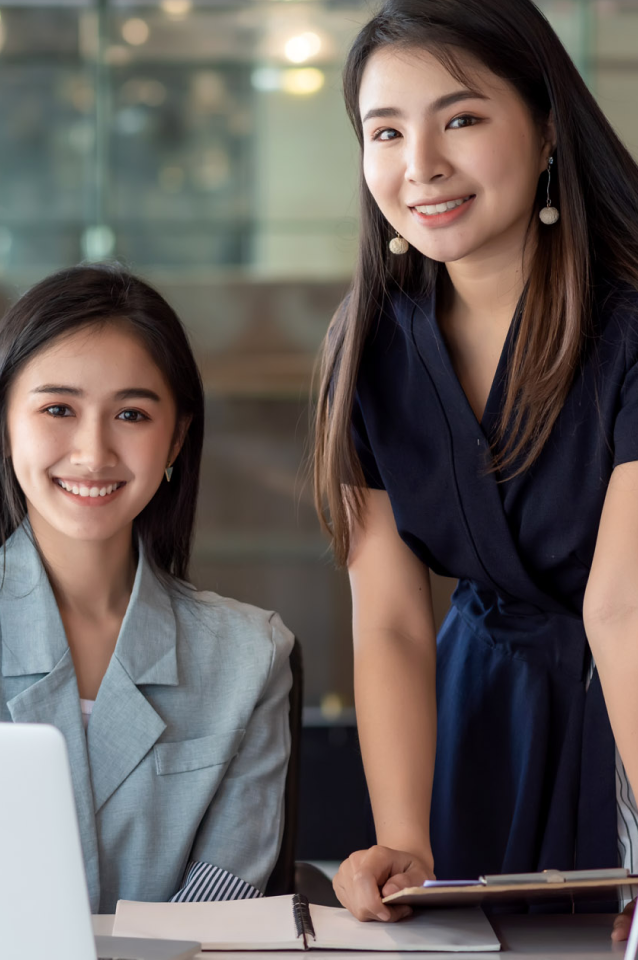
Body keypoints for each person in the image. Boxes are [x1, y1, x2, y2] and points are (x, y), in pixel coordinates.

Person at [312, 0, 638, 938]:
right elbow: (392, 618)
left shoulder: (631, 329)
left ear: (545, 130)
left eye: (460, 118)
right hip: (479, 718)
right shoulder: (366, 345)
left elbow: (622, 606)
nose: (421, 167)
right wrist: (403, 836)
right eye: (386, 131)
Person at [0, 264, 294, 914]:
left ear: (177, 438)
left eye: (131, 414)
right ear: (2, 423)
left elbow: (222, 902)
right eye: (58, 409)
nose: (93, 451)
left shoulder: (251, 656)